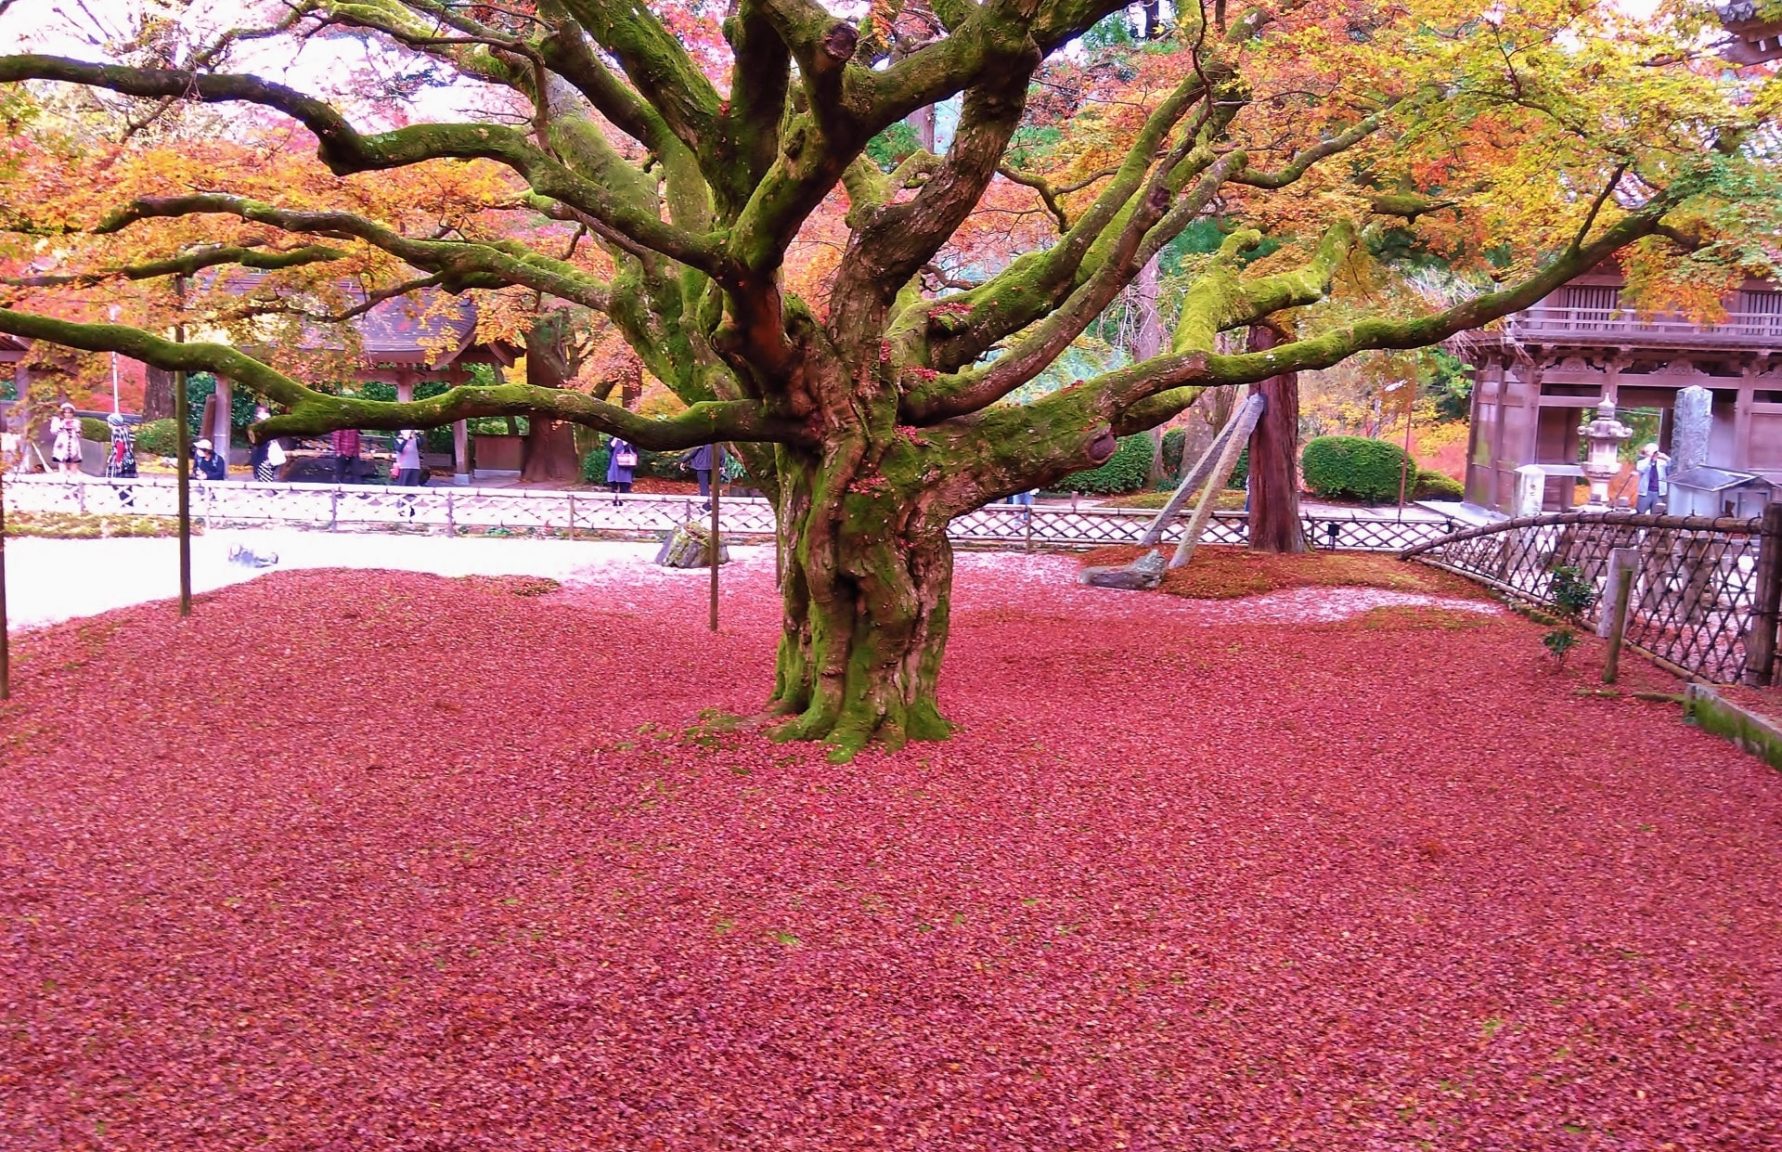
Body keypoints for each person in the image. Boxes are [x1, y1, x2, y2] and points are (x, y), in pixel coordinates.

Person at [104, 412, 137, 508]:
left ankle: (124, 502)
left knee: (116, 481)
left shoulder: (116, 432)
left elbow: (120, 446)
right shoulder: (125, 430)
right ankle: (129, 502)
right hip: (129, 457)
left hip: (121, 457)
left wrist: (118, 461)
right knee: (128, 481)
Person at [247, 406, 285, 482]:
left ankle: (271, 490)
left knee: (265, 478)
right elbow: (253, 441)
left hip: (269, 457)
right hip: (260, 454)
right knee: (261, 476)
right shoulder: (253, 428)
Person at [1635, 442, 1670, 513]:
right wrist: (1650, 460)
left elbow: (1672, 469)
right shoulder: (1642, 462)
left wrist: (1666, 458)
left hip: (1659, 492)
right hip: (1645, 492)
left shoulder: (1662, 462)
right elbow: (1641, 469)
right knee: (1640, 513)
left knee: (1656, 514)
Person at [50, 401, 82, 476]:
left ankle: (73, 481)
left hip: (73, 444)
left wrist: (77, 429)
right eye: (66, 412)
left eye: (70, 412)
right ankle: (63, 480)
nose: (68, 414)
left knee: (74, 463)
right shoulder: (58, 421)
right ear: (63, 413)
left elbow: (79, 434)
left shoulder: (76, 422)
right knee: (62, 462)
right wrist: (62, 426)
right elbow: (53, 431)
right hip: (62, 444)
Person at [606, 435, 636, 502]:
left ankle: (623, 501)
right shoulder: (612, 439)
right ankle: (614, 501)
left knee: (624, 484)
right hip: (614, 465)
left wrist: (624, 440)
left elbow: (630, 449)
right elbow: (609, 448)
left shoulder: (629, 439)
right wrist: (616, 438)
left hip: (625, 465)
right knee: (613, 483)